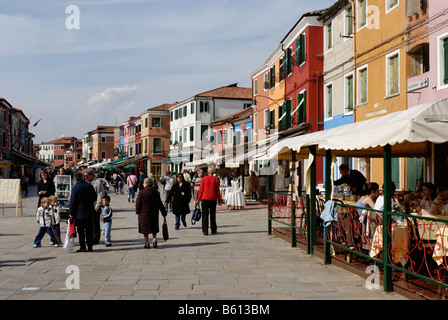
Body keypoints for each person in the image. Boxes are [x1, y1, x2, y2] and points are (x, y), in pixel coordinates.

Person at [69, 171, 97, 252]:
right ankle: (90, 246)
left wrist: (71, 212)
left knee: (81, 231)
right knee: (89, 230)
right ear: (82, 177)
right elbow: (94, 197)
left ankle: (83, 247)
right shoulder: (89, 186)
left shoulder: (75, 188)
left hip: (79, 212)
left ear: (75, 179)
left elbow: (73, 201)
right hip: (89, 210)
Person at [136, 178, 167, 249]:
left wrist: (137, 211)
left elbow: (138, 203)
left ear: (146, 184)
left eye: (144, 182)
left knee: (145, 229)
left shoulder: (141, 193)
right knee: (154, 227)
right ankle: (154, 239)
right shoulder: (156, 192)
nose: (143, 184)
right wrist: (163, 212)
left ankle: (147, 243)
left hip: (144, 213)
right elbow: (160, 204)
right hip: (154, 213)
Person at [194, 168, 222, 235]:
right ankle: (213, 229)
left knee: (205, 215)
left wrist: (198, 199)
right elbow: (217, 191)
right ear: (213, 172)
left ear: (207, 172)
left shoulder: (204, 179)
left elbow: (201, 190)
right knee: (212, 215)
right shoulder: (215, 179)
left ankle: (205, 230)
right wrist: (219, 200)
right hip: (213, 198)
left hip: (205, 198)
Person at [84, 168, 105, 245]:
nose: (85, 177)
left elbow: (100, 194)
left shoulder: (97, 182)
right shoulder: (85, 182)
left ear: (92, 175)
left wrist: (98, 205)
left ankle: (96, 238)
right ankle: (89, 237)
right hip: (87, 205)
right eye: (85, 176)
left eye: (87, 176)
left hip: (95, 204)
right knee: (88, 223)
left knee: (95, 222)